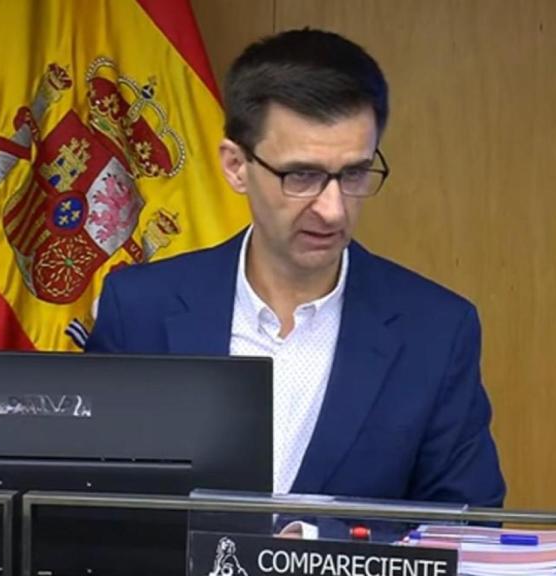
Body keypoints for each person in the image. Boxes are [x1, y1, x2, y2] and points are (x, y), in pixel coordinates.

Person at [86, 29, 504, 513]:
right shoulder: (139, 309)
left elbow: (467, 528)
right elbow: (92, 511)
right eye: (301, 175)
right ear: (237, 165)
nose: (332, 209)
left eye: (353, 174)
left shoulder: (436, 330)